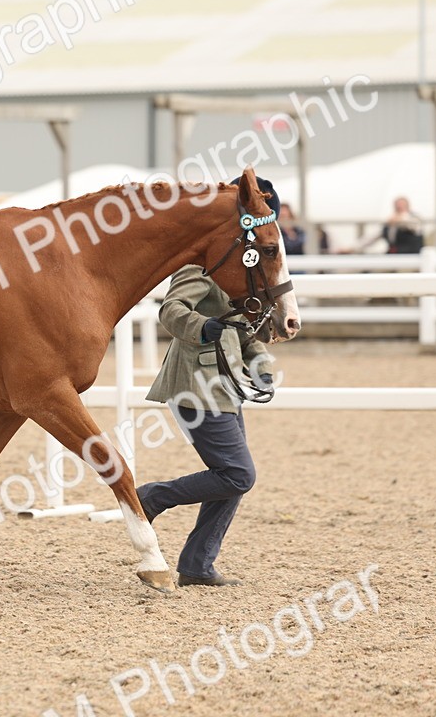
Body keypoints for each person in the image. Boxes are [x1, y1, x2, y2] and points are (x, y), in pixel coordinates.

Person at [134, 181, 279, 588]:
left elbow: (242, 331)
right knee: (238, 474)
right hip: (193, 387)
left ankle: (198, 565)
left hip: (225, 386)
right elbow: (172, 310)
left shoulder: (241, 270)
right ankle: (151, 497)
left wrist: (262, 362)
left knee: (230, 478)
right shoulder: (201, 265)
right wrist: (204, 326)